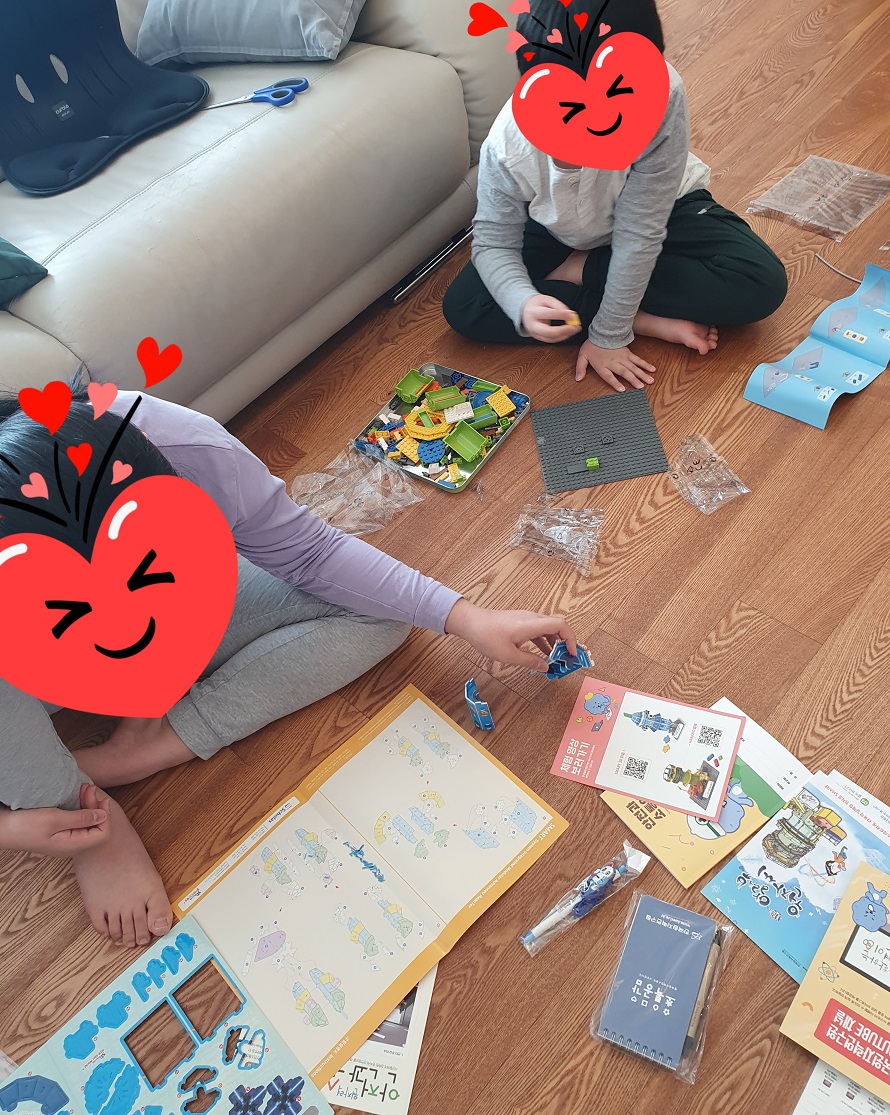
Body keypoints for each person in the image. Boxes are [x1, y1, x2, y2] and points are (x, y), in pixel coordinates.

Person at [0, 384, 576, 949]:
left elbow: (311, 552)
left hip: (160, 612)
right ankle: (83, 812)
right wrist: (34, 823)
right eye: (66, 606)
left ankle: (144, 745)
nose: (124, 631)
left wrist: (468, 618)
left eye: (145, 564)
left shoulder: (182, 446)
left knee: (382, 613)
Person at [442, 0, 788, 392]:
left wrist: (609, 334)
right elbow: (493, 243)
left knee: (761, 282)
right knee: (467, 304)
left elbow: (641, 230)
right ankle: (642, 318)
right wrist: (522, 301)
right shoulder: (506, 148)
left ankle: (582, 271)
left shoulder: (661, 93)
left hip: (665, 209)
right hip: (556, 225)